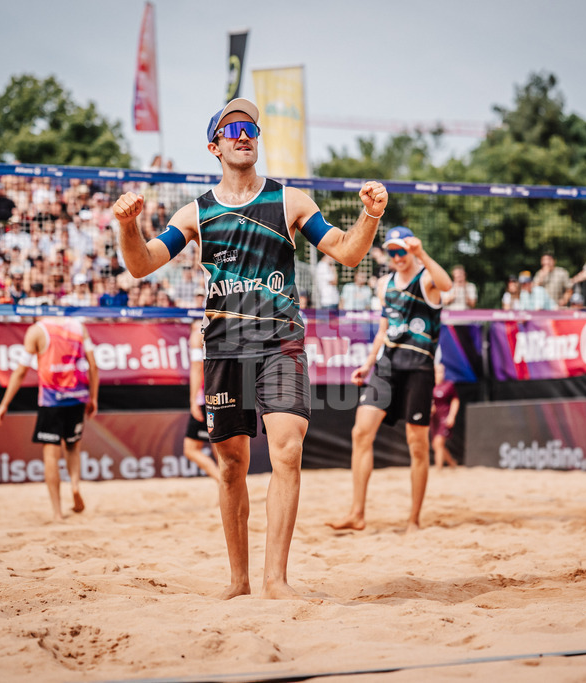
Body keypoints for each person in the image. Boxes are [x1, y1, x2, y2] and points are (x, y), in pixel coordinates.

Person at [112, 97, 388, 599]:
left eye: (251, 129)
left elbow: (347, 251)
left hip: (280, 343)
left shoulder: (290, 201)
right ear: (214, 145)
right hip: (223, 351)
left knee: (287, 450)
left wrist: (369, 217)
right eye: (233, 128)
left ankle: (275, 579)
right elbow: (141, 264)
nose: (245, 134)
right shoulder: (197, 212)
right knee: (232, 466)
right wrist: (129, 226)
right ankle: (239, 581)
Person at [327, 225, 452, 533]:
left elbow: (447, 285)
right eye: (392, 252)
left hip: (418, 366)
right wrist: (368, 364)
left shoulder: (426, 280)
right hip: (387, 366)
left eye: (401, 251)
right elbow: (383, 329)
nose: (396, 257)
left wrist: (421, 253)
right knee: (361, 433)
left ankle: (413, 519)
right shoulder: (384, 284)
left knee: (417, 443)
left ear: (410, 250)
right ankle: (357, 513)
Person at [0, 317, 99, 522]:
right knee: (72, 447)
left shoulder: (36, 331)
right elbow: (93, 366)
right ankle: (75, 486)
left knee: (51, 457)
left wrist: (4, 404)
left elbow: (21, 371)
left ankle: (58, 513)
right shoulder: (78, 326)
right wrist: (93, 397)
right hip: (77, 397)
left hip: (51, 401)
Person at [182, 321, 221, 483]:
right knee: (220, 448)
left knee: (190, 449)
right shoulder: (224, 328)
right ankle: (227, 486)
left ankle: (223, 482)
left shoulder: (198, 334)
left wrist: (193, 401)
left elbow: (197, 368)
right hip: (223, 395)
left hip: (206, 398)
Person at [430, 362, 459, 470]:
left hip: (444, 417)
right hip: (434, 419)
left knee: (438, 443)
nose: (440, 374)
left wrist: (452, 416)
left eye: (442, 371)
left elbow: (455, 401)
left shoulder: (448, 385)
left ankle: (438, 469)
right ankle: (452, 463)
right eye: (438, 371)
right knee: (436, 445)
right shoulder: (430, 385)